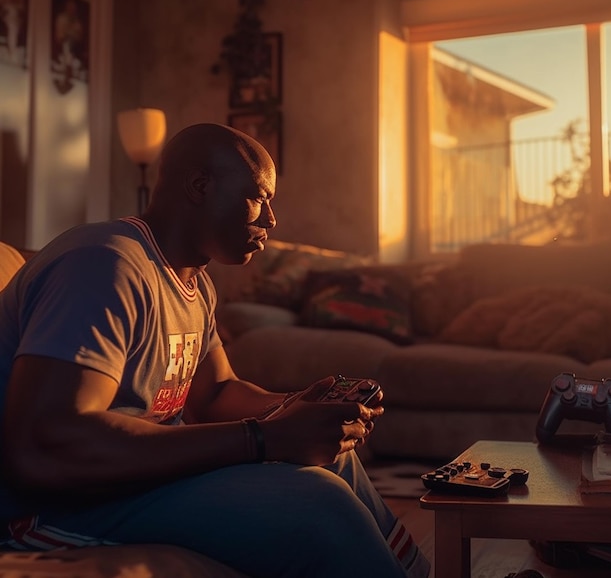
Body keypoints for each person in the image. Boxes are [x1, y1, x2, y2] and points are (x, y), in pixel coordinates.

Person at [0, 123, 430, 577]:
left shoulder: (194, 281)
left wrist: (298, 408)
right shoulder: (105, 264)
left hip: (136, 481)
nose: (271, 219)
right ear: (200, 186)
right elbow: (48, 442)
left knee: (335, 458)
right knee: (318, 504)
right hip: (54, 506)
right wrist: (264, 438)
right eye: (260, 197)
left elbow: (215, 392)